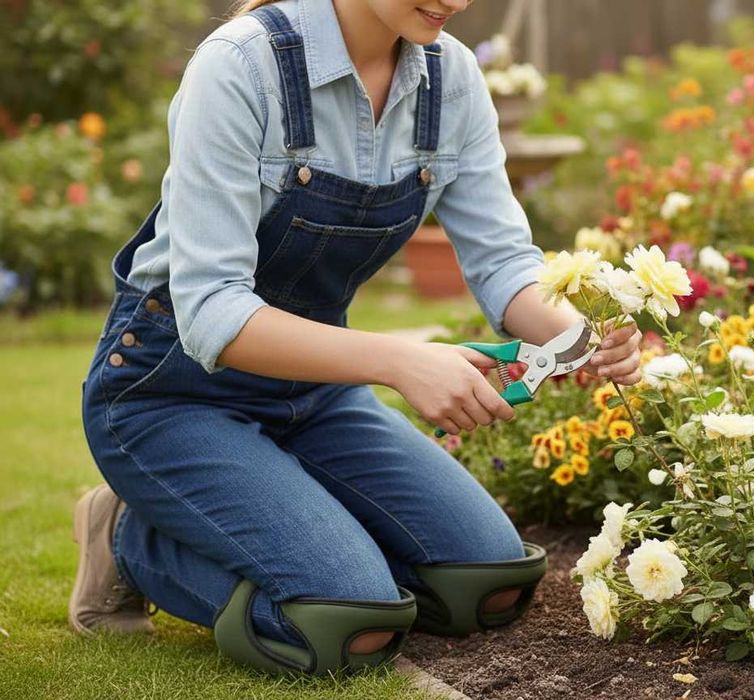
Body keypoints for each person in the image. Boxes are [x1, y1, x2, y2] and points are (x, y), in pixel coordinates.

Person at [71, 0, 643, 677]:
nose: (456, 3)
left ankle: (284, 512)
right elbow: (212, 312)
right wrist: (398, 361)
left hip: (312, 391)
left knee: (486, 586)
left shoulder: (451, 76)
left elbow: (501, 262)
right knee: (345, 625)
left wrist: (579, 332)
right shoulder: (239, 66)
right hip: (170, 393)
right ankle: (129, 536)